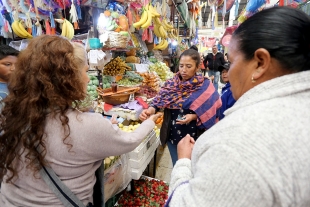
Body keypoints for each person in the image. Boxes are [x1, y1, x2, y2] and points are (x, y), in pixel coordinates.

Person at [166, 7, 310, 206]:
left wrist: (183, 165)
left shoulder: (236, 143)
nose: (228, 74)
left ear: (260, 62)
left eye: (232, 62)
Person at [0, 35, 160, 207]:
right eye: (85, 71)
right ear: (70, 79)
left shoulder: (10, 114)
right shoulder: (88, 125)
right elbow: (130, 141)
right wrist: (150, 121)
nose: (88, 78)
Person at [139, 49, 221, 166]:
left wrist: (193, 116)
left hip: (195, 137)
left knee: (193, 168)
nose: (184, 70)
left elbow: (213, 109)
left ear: (197, 67)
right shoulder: (171, 84)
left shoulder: (205, 85)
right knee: (177, 166)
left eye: (188, 66)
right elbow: (157, 102)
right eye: (181, 66)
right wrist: (150, 110)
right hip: (173, 136)